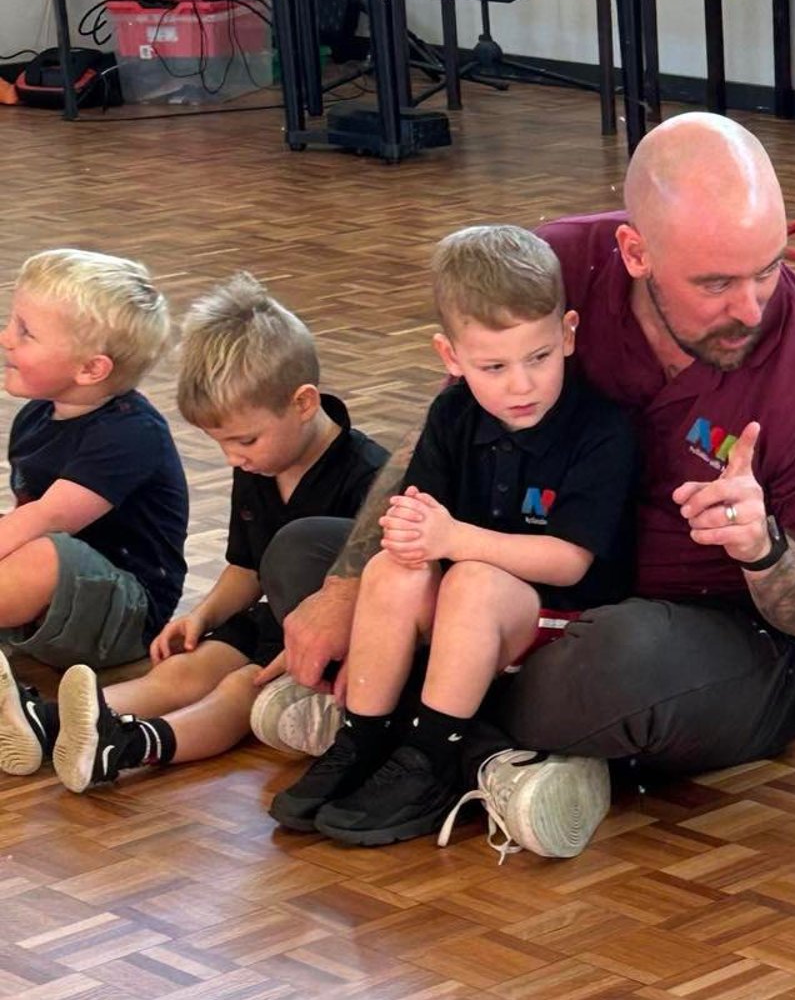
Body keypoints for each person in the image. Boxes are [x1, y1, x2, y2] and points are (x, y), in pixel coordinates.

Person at [258, 113, 795, 856]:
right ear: (634, 251)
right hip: (521, 593)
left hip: (706, 637)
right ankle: (481, 751)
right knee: (306, 552)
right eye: (715, 283)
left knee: (620, 658)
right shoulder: (554, 266)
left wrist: (765, 550)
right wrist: (348, 584)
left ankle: (404, 725)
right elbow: (441, 440)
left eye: (769, 269)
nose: (750, 308)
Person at [268, 224, 635, 848]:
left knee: (469, 580)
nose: (520, 385)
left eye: (538, 357)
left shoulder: (603, 428)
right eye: (493, 366)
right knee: (388, 568)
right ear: (451, 357)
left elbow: (569, 563)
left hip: (558, 621)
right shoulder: (452, 414)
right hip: (465, 608)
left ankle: (433, 756)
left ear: (568, 333)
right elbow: (418, 519)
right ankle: (366, 733)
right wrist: (409, 539)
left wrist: (451, 539)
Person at [51, 275, 387, 794]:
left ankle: (131, 746)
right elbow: (247, 567)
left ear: (302, 403)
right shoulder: (257, 463)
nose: (234, 458)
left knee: (235, 690)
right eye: (223, 444)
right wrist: (203, 614)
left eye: (244, 440)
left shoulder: (370, 477)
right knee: (186, 669)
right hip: (265, 619)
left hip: (330, 644)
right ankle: (54, 723)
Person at [0, 247, 186, 775]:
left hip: (128, 614)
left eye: (25, 332)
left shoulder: (129, 434)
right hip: (65, 599)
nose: (5, 338)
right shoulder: (36, 418)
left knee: (40, 550)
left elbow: (45, 522)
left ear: (90, 369)